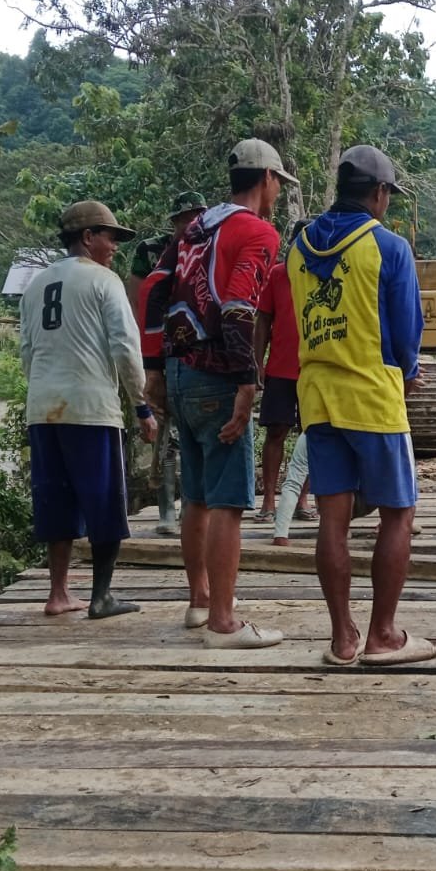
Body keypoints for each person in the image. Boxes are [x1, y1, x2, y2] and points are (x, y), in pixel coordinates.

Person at [289, 144, 436, 666]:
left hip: (318, 396)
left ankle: (342, 639)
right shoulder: (387, 246)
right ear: (378, 193)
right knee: (398, 513)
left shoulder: (298, 247)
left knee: (333, 519)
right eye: (387, 195)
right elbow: (407, 328)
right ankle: (383, 636)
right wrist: (409, 371)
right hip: (372, 394)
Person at [148, 139, 293, 647]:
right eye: (279, 184)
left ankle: (199, 601)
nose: (278, 193)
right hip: (218, 375)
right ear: (267, 179)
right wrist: (247, 381)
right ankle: (223, 622)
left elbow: (157, 288)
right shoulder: (257, 231)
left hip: (180, 370)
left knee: (197, 496)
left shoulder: (194, 227)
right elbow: (237, 309)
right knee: (228, 502)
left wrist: (154, 369)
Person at [21, 201, 157, 621]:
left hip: (42, 408)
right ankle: (101, 596)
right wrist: (141, 404)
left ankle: (58, 593)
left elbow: (27, 351)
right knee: (103, 500)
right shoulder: (103, 281)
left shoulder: (36, 285)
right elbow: (125, 347)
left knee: (55, 498)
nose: (114, 246)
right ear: (87, 237)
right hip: (90, 407)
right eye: (109, 237)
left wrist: (41, 391)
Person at [135, 190, 205, 536]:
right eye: (186, 217)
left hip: (196, 351)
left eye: (198, 215)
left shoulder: (208, 247)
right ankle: (166, 512)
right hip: (158, 352)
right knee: (165, 433)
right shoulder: (153, 251)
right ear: (175, 221)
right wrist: (148, 362)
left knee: (190, 434)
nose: (193, 222)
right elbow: (140, 300)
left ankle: (191, 508)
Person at [253, 220, 310, 522]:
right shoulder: (277, 274)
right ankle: (268, 501)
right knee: (276, 432)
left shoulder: (326, 272)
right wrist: (257, 361)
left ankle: (302, 499)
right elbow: (263, 320)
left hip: (315, 369)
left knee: (312, 435)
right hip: (281, 368)